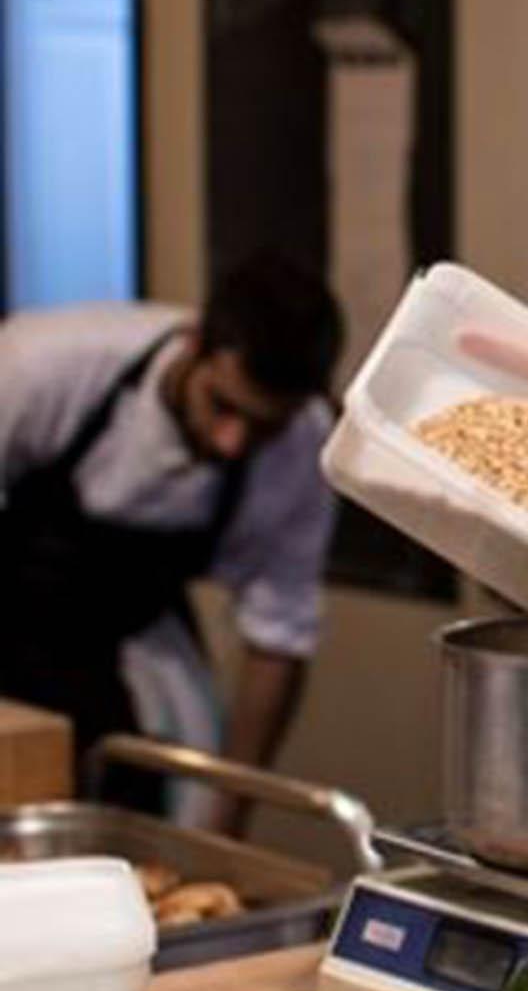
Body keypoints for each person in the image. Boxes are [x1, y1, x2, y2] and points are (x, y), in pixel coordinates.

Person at [0, 252, 342, 824]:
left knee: (138, 820)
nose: (234, 442)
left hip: (123, 653)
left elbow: (278, 638)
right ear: (193, 343)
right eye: (223, 407)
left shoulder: (304, 446)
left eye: (263, 426)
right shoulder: (40, 363)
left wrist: (229, 816)